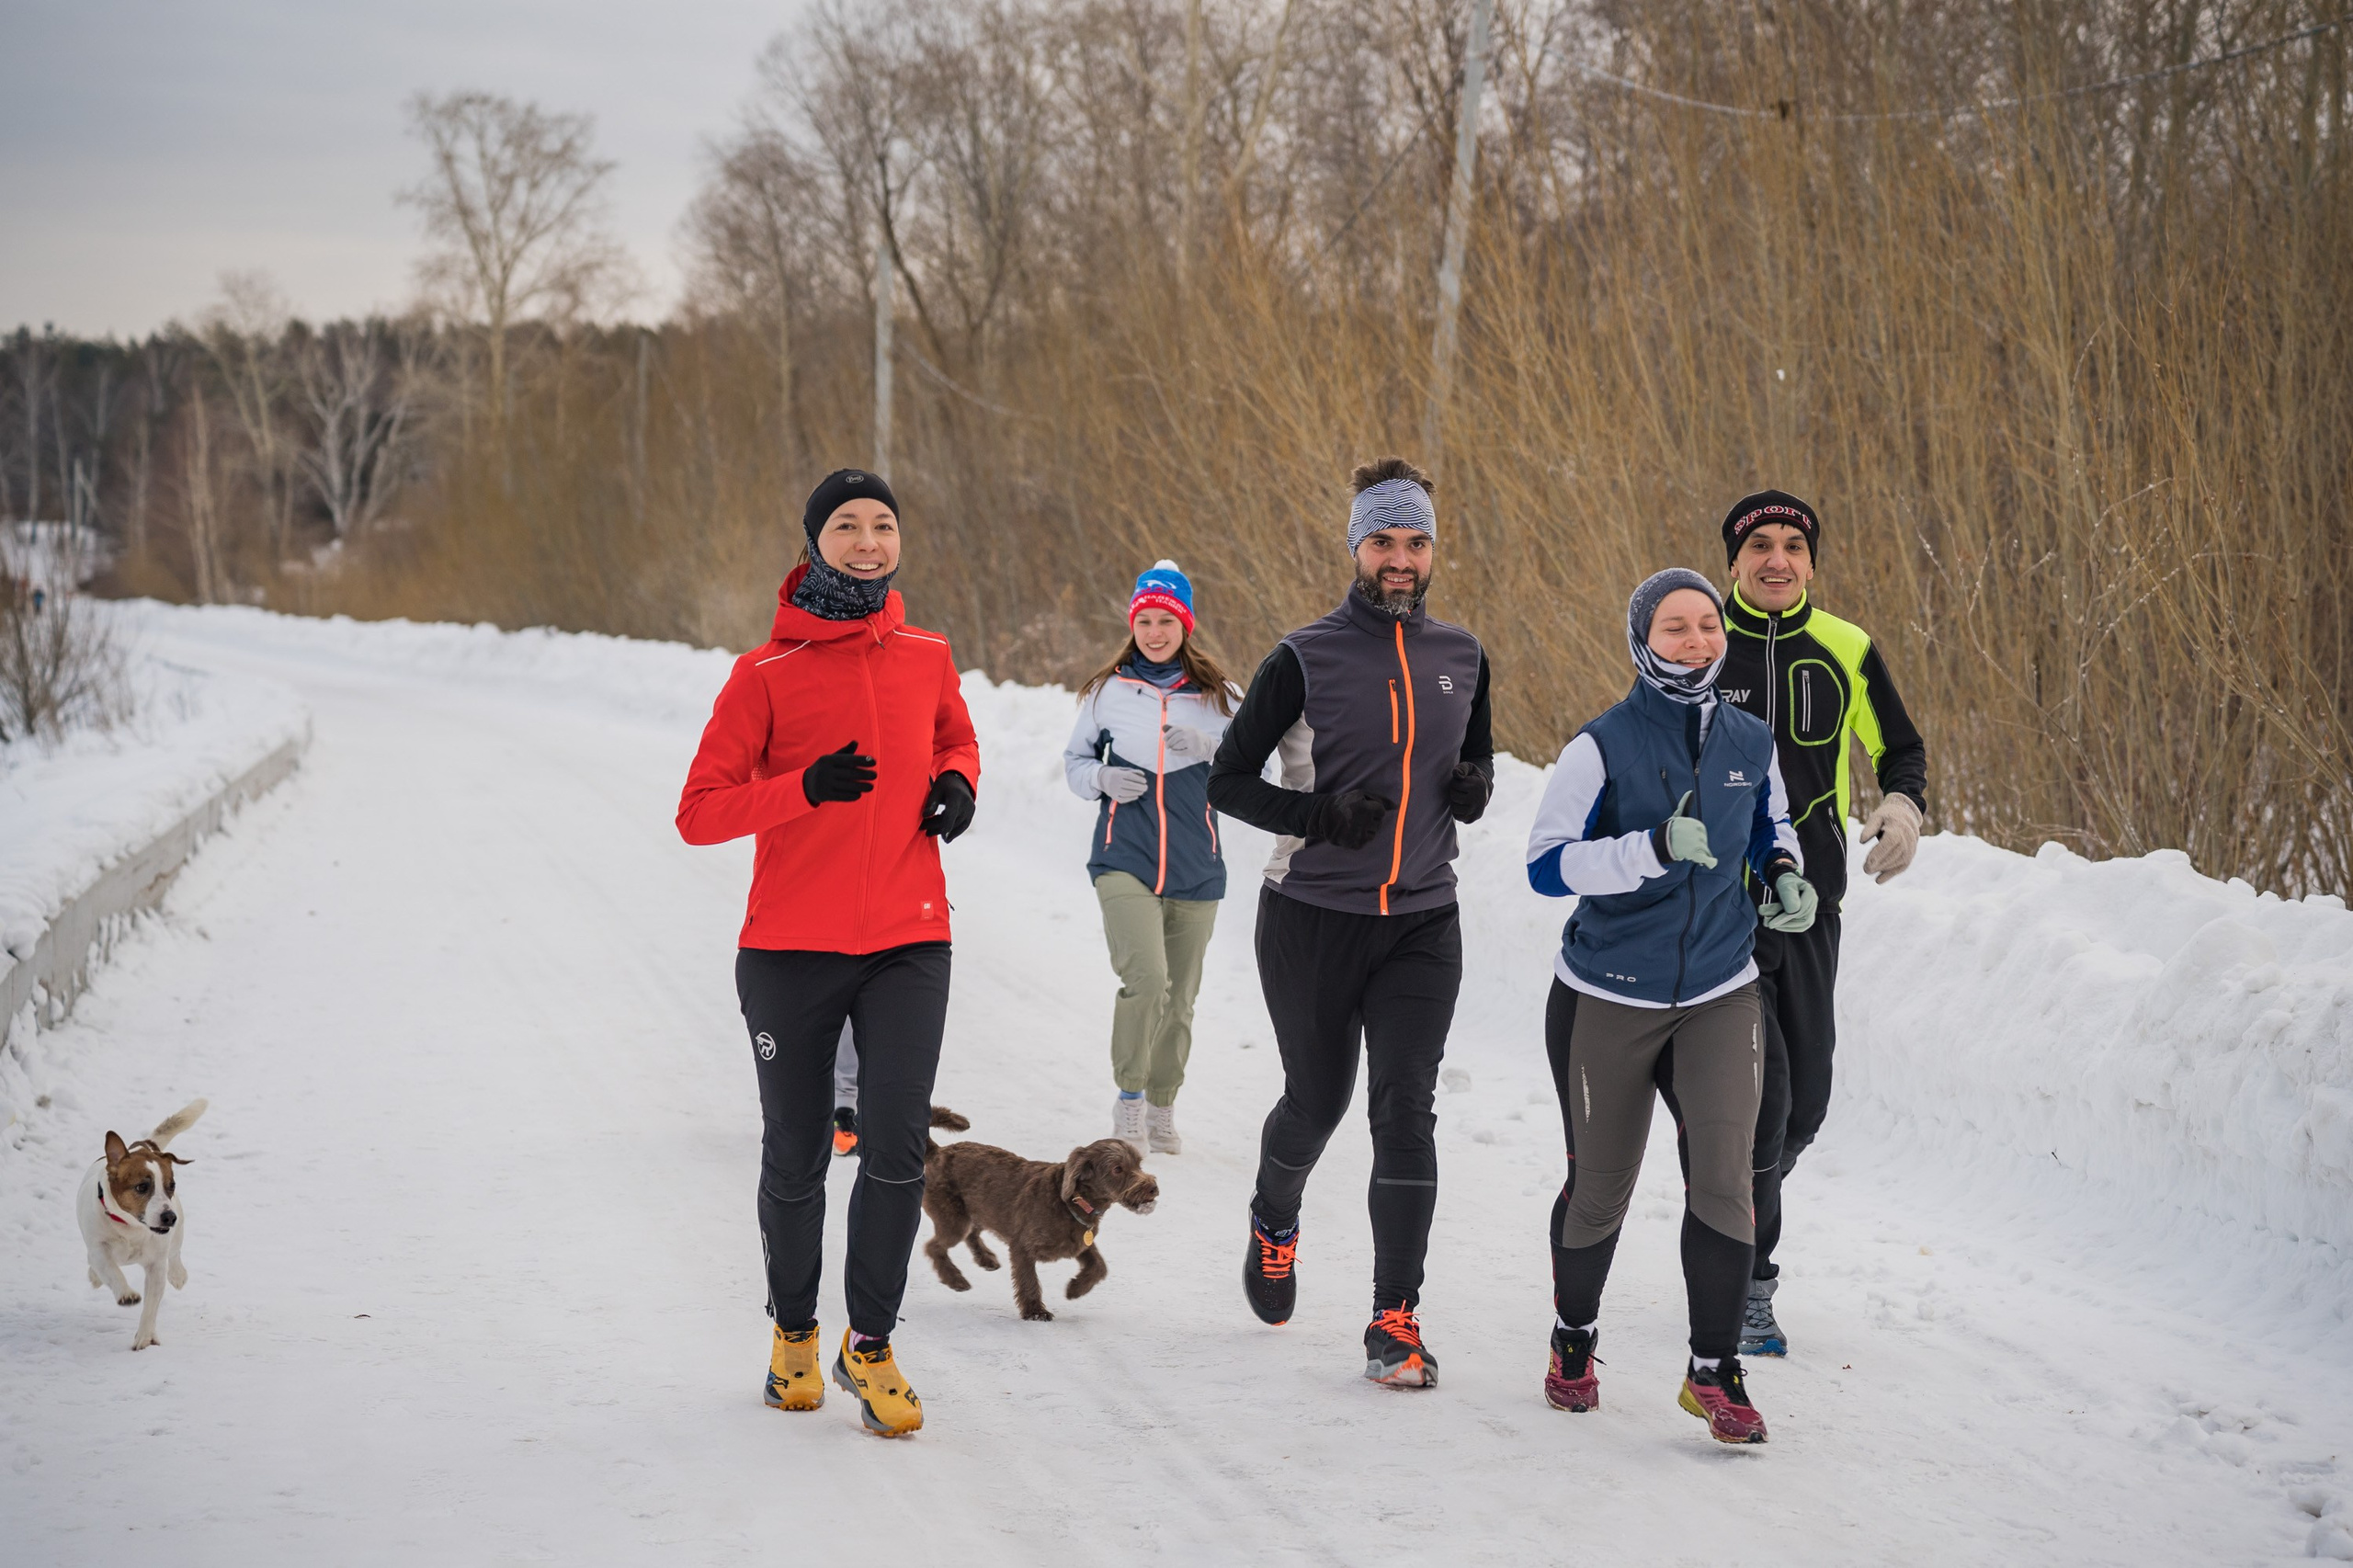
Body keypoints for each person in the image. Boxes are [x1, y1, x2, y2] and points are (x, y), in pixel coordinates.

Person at [676, 468, 981, 1440]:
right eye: (846, 524)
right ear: (816, 541)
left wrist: (958, 784)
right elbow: (700, 813)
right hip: (789, 950)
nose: (866, 539)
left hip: (908, 939)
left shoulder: (927, 652)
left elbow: (955, 742)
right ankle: (794, 1335)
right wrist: (802, 785)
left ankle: (873, 1344)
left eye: (882, 524)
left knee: (894, 1153)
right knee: (799, 1153)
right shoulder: (762, 674)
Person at [1208, 457, 1493, 1389]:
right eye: (1383, 541)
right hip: (1311, 918)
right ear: (1356, 548)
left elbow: (1474, 762)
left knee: (1405, 1107)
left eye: (1415, 541)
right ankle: (1273, 1217)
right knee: (1317, 1101)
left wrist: (1474, 789)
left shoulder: (1464, 655)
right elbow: (1226, 778)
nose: (1400, 559)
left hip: (1421, 919)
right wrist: (1317, 816)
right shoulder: (1302, 657)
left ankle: (1394, 1317)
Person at [1524, 568, 1812, 1445]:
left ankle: (1713, 1370)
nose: (1695, 641)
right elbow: (1545, 865)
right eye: (1674, 628)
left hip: (1722, 989)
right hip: (1606, 994)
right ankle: (1573, 1341)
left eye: (1708, 626)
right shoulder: (1600, 746)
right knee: (1601, 1191)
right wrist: (1645, 849)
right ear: (1642, 640)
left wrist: (1783, 875)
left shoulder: (1750, 739)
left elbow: (1771, 827)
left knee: (1726, 1181)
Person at [1710, 490, 1927, 1357]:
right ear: (1733, 561)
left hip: (1811, 908)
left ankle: (1727, 1202)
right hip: (1719, 909)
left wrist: (1903, 807)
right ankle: (1747, 1280)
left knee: (1805, 1110)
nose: (1776, 559)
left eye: (1793, 545)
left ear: (1812, 561)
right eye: (1759, 544)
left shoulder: (1846, 648)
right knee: (1762, 1111)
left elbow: (1899, 746)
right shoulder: (1695, 638)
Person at [1063, 561, 1242, 1157]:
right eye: (1146, 620)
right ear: (1132, 623)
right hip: (1124, 857)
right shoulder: (1106, 693)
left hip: (1198, 865)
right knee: (1147, 980)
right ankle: (1131, 1100)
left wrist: (1212, 747)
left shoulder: (1220, 697)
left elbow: (1264, 771)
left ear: (1185, 625)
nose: (1156, 632)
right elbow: (1074, 765)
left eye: (1167, 620)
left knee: (1181, 997)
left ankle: (1164, 1104)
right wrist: (1103, 778)